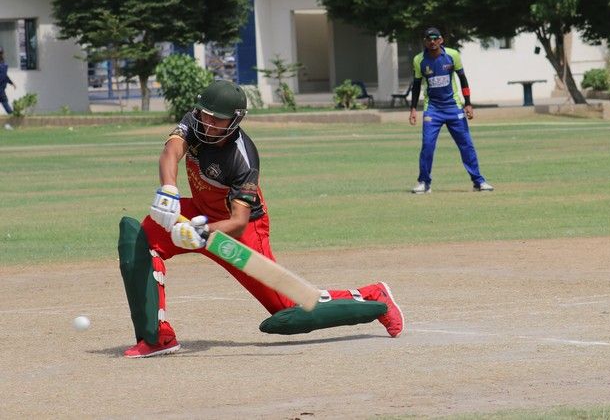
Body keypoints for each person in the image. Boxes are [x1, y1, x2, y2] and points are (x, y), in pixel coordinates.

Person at [118, 80, 403, 358]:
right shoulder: (196, 120)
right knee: (142, 240)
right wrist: (168, 189)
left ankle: (372, 295)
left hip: (240, 231)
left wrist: (201, 232)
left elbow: (238, 221)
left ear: (235, 120)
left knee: (289, 308)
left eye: (217, 120)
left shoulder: (243, 159)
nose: (208, 124)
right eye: (205, 116)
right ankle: (157, 336)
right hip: (198, 211)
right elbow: (171, 150)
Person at [408, 27, 493, 193]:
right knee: (427, 145)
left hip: (453, 108)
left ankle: (478, 181)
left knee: (466, 144)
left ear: (441, 40)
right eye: (429, 39)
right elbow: (416, 86)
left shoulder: (453, 55)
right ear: (424, 41)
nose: (432, 42)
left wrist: (468, 103)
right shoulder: (419, 60)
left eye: (435, 38)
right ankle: (424, 182)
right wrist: (413, 109)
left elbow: (463, 79)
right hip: (432, 109)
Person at [0, 46, 16, 115]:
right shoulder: (3, 65)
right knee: (4, 102)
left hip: (1, 89)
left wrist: (11, 83)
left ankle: (13, 116)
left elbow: (4, 76)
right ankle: (13, 117)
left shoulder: (3, 65)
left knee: (4, 102)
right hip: (0, 89)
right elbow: (3, 76)